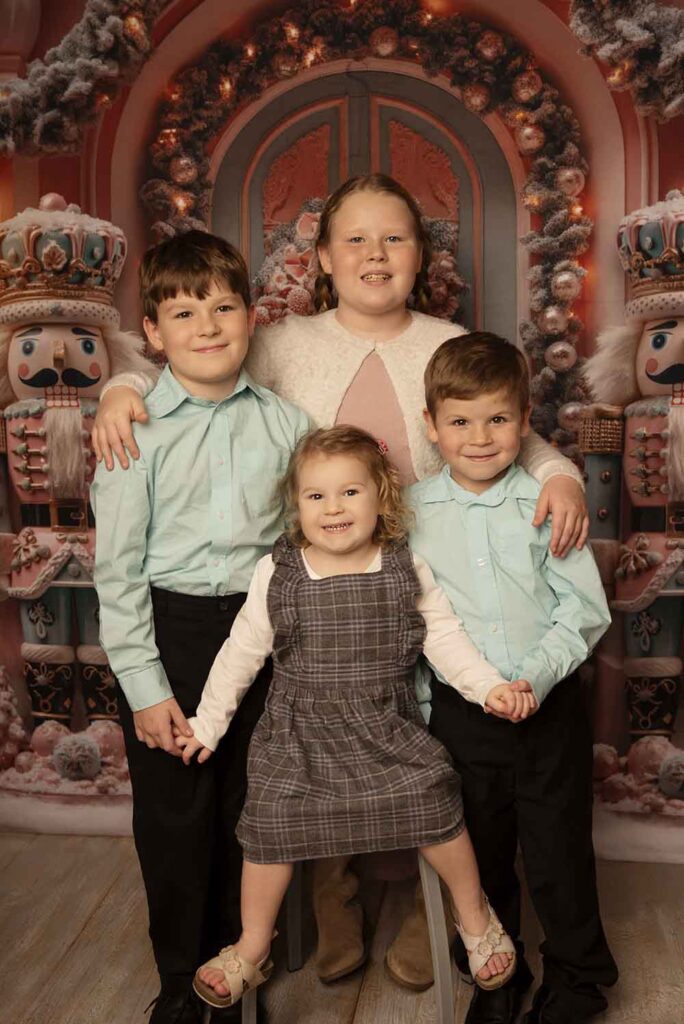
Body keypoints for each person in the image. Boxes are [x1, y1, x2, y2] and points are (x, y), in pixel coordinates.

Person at [91, 174, 589, 988]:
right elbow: (193, 368)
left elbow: (503, 424)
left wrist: (561, 472)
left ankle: (429, 919)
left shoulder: (445, 338)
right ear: (322, 255)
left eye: (394, 236)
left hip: (427, 585)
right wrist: (119, 388)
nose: (374, 254)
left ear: (421, 252)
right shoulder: (280, 341)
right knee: (304, 750)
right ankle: (332, 898)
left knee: (416, 749)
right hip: (309, 594)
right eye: (354, 238)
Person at [174, 424, 535, 1011]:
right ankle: (252, 944)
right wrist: (208, 724)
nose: (333, 508)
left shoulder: (402, 568)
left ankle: (475, 920)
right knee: (267, 821)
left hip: (385, 730)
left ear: (382, 497)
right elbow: (240, 652)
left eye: (350, 492)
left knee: (434, 797)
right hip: (298, 737)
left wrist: (489, 688)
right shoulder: (279, 574)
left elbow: (445, 639)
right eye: (316, 496)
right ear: (296, 505)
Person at [90, 231, 311, 1024]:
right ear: (153, 331)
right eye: (184, 313)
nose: (208, 326)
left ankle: (235, 967)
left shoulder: (288, 424)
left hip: (260, 632)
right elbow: (116, 572)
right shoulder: (134, 428)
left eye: (223, 307)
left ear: (251, 317)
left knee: (249, 805)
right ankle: (181, 984)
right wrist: (145, 689)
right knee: (177, 814)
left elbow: (301, 542)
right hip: (168, 629)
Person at [410, 333, 618, 1024]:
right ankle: (496, 974)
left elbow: (584, 610)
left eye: (497, 419)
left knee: (558, 848)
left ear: (525, 420)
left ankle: (578, 978)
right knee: (483, 849)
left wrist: (532, 679)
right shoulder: (409, 515)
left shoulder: (547, 499)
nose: (479, 437)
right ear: (432, 425)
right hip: (462, 715)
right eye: (460, 421)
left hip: (547, 703)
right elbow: (415, 621)